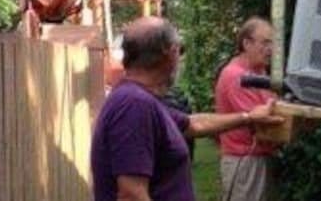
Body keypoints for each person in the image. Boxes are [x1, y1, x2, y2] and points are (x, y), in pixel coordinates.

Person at [90, 16, 283, 201]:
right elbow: (132, 196)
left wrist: (248, 117)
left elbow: (193, 123)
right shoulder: (134, 105)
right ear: (171, 52)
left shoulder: (142, 100)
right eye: (180, 51)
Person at [215, 16, 278, 201]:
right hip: (245, 162)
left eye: (272, 43)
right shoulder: (237, 77)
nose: (270, 50)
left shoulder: (258, 73)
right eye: (265, 43)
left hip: (256, 160)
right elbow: (263, 123)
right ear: (246, 43)